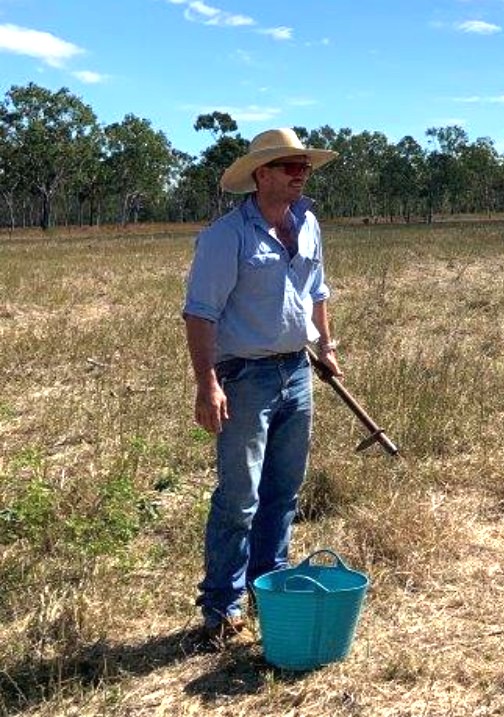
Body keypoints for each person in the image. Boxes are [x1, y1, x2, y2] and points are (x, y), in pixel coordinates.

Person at [182, 127, 342, 643]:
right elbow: (200, 314)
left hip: (297, 371)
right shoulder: (226, 236)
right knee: (240, 497)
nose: (301, 176)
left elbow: (317, 291)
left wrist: (326, 347)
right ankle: (222, 612)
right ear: (261, 174)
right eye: (290, 167)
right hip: (244, 377)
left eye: (305, 168)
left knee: (283, 492)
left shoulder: (309, 224)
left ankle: (267, 590)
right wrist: (207, 384)